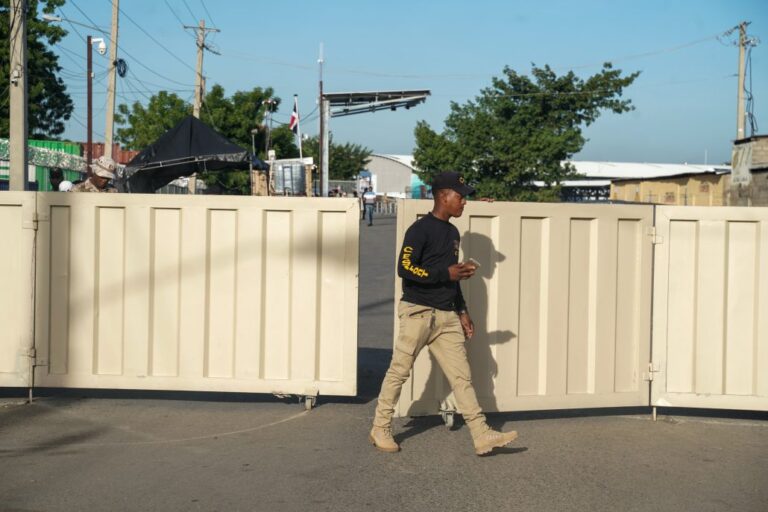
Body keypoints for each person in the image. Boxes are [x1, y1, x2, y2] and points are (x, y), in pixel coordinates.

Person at [369, 171, 518, 456]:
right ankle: (380, 427)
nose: (464, 202)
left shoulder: (452, 233)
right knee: (399, 371)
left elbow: (450, 277)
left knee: (462, 377)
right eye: (460, 196)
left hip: (447, 315)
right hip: (418, 312)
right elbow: (405, 267)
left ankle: (481, 434)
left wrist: (462, 310)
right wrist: (445, 272)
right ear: (443, 196)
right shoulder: (420, 229)